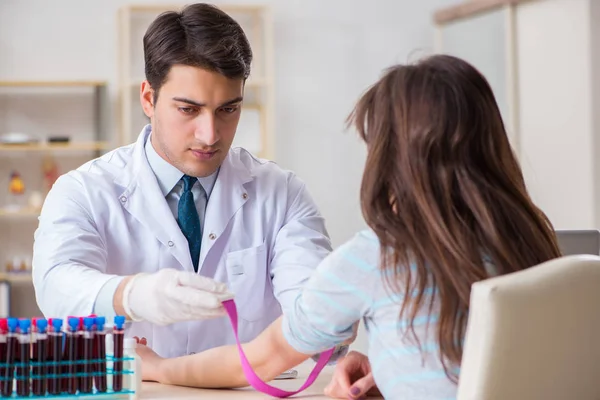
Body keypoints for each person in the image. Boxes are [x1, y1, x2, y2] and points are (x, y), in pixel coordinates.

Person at [134, 54, 562, 399]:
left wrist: (157, 368)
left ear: (394, 157)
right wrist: (400, 367)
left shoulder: (378, 256)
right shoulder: (533, 240)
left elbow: (264, 359)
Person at [31, 3, 335, 359]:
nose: (209, 135)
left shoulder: (281, 193)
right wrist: (133, 295)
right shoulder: (83, 191)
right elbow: (56, 287)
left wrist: (333, 318)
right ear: (148, 98)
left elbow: (314, 313)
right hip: (140, 392)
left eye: (228, 109)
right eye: (188, 110)